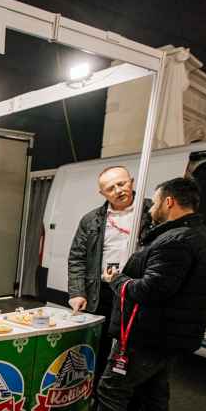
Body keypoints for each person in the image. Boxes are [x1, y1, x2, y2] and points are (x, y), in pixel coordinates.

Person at [58, 177, 206, 411]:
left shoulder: (175, 240)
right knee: (155, 392)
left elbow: (151, 290)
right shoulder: (200, 235)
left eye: (156, 202)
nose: (152, 207)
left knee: (112, 388)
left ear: (169, 202)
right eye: (110, 187)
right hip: (171, 333)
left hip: (149, 333)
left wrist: (118, 280)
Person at [68, 166, 153, 398]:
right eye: (110, 188)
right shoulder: (91, 220)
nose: (118, 190)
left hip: (138, 291)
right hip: (103, 292)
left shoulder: (152, 212)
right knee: (99, 348)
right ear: (102, 193)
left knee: (135, 352)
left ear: (132, 182)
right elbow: (77, 257)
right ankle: (94, 399)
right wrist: (77, 292)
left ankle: (128, 403)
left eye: (121, 184)